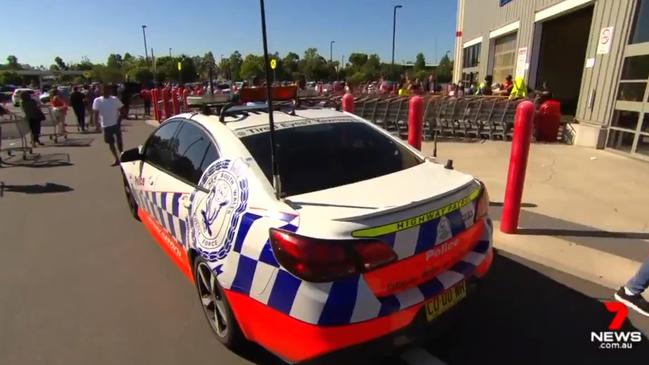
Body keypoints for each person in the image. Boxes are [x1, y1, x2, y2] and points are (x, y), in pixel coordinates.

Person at [93, 84, 124, 166]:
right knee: (111, 143)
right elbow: (95, 113)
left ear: (110, 91)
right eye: (104, 90)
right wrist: (97, 125)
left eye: (107, 90)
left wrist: (119, 121)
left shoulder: (114, 99)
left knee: (119, 142)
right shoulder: (97, 100)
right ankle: (116, 159)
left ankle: (122, 157)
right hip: (106, 125)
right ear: (101, 91)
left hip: (115, 124)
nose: (105, 92)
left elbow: (122, 110)